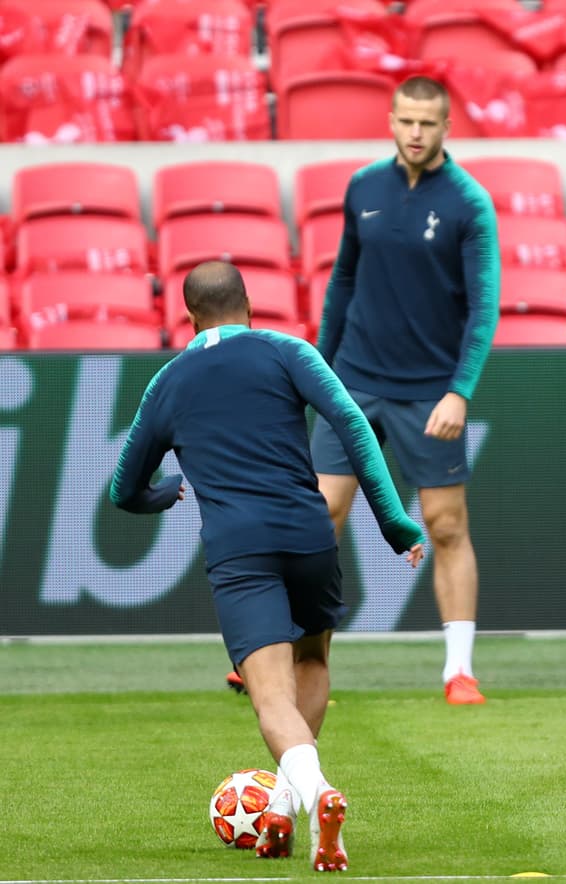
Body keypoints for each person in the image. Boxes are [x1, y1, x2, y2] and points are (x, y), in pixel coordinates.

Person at [111, 261, 426, 871]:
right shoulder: (289, 351)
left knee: (270, 697)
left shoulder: (168, 382)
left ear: (189, 318)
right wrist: (394, 524)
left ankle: (316, 794)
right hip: (309, 536)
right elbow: (354, 427)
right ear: (250, 306)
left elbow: (124, 489)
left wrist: (164, 491)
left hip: (240, 549)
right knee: (312, 659)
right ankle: (281, 805)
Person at [311, 75, 499, 706]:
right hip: (354, 381)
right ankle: (301, 659)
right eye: (406, 121)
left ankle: (459, 671)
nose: (416, 133)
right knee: (319, 517)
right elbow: (342, 284)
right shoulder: (364, 187)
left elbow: (483, 308)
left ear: (447, 127)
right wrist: (319, 369)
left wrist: (460, 391)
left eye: (428, 123)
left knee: (446, 525)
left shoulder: (469, 202)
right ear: (391, 121)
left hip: (429, 393)